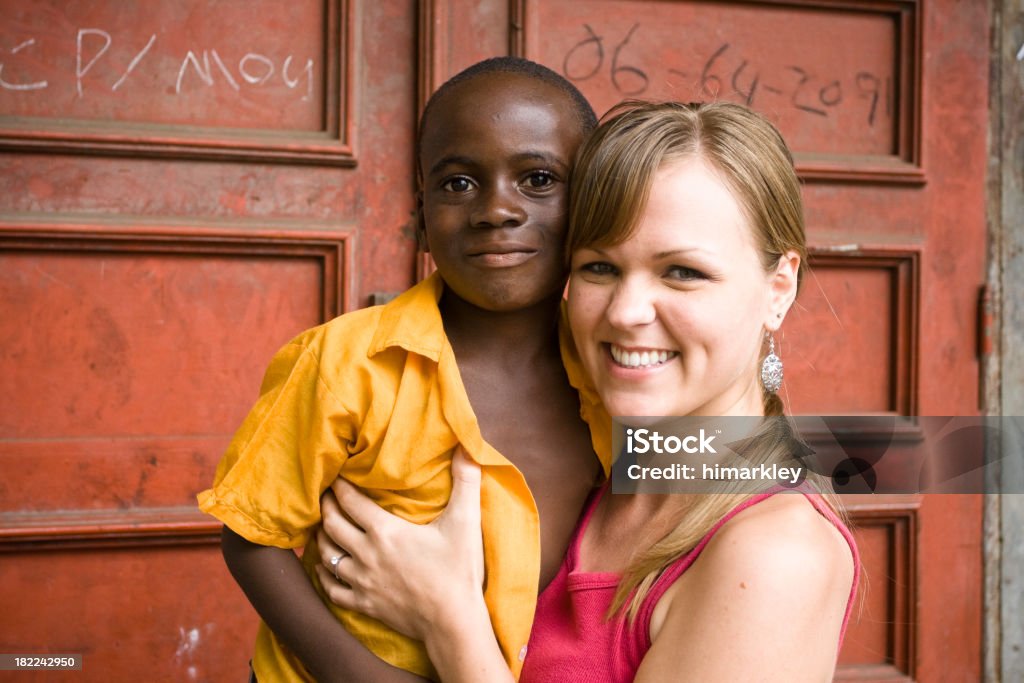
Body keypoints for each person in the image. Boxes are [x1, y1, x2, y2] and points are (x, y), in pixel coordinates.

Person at [315, 100, 861, 682]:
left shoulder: (775, 554)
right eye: (600, 268)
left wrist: (450, 623)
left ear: (779, 287)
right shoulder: (588, 462)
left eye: (683, 272)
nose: (625, 313)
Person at [197, 57, 613, 682]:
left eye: (537, 178)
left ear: (592, 207)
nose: (495, 209)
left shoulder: (616, 374)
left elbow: (750, 475)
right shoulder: (347, 364)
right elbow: (251, 538)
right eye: (458, 184)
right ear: (420, 216)